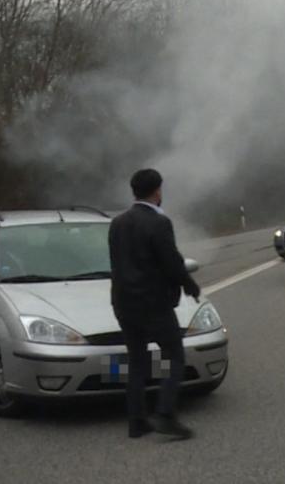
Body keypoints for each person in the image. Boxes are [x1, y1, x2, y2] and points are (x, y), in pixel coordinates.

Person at [108, 169, 201, 440]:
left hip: (124, 304)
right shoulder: (159, 223)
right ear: (157, 191)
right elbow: (171, 262)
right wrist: (190, 285)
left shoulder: (117, 223)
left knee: (136, 362)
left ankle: (136, 421)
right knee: (175, 357)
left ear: (133, 191)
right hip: (154, 305)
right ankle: (165, 415)